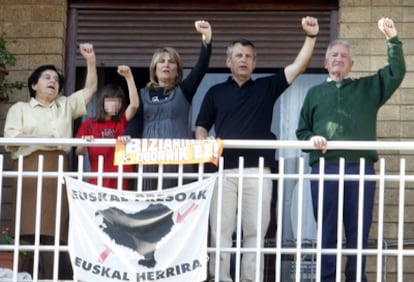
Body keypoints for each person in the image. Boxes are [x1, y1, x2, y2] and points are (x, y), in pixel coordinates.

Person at [195, 16, 319, 282]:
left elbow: (298, 67)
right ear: (228, 61)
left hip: (258, 170)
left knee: (255, 231)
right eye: (238, 55)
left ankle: (251, 279)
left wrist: (311, 37)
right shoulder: (215, 92)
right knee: (220, 230)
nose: (244, 60)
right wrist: (204, 140)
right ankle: (220, 278)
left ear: (254, 62)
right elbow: (201, 126)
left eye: (249, 56)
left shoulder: (266, 86)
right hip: (222, 170)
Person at [296, 17, 406, 282]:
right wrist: (312, 138)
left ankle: (356, 277)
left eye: (344, 56)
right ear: (325, 62)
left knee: (359, 230)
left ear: (351, 64)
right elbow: (302, 131)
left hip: (360, 168)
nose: (338, 59)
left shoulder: (368, 88)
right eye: (333, 55)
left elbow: (397, 72)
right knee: (328, 229)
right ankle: (327, 278)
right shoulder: (314, 94)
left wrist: (392, 39)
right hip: (326, 167)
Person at [3, 43, 97, 279]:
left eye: (55, 78)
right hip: (28, 169)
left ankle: (53, 277)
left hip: (57, 168)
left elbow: (90, 91)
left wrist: (91, 60)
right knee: (26, 227)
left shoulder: (64, 105)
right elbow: (9, 138)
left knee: (55, 228)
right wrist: (40, 137)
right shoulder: (20, 108)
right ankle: (22, 275)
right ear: (34, 84)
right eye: (46, 77)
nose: (52, 81)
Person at [122, 20, 212, 190]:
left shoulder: (184, 90)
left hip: (178, 161)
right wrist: (127, 135)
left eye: (171, 62)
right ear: (154, 68)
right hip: (148, 161)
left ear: (177, 70)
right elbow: (136, 122)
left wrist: (206, 41)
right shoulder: (142, 94)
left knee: (178, 210)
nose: (166, 64)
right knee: (148, 208)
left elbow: (200, 69)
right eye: (162, 61)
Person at [75, 65, 139, 190]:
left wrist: (129, 78)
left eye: (118, 101)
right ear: (102, 102)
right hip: (97, 180)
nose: (115, 104)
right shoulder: (89, 124)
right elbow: (79, 152)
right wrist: (84, 143)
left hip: (120, 181)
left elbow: (134, 105)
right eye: (110, 100)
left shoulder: (122, 122)